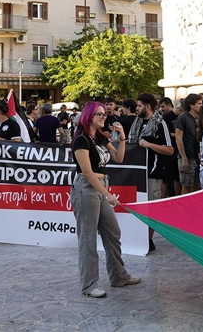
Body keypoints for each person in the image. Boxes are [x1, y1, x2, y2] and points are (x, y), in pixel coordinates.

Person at [70, 102, 140, 298]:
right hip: (86, 190)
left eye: (104, 114)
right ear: (88, 117)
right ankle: (89, 284)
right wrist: (107, 194)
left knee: (113, 232)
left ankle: (119, 276)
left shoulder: (99, 137)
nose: (103, 117)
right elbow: (87, 172)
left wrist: (123, 138)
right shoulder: (81, 140)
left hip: (100, 189)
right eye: (99, 114)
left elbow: (118, 157)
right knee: (88, 239)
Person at [129, 93, 174, 252]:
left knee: (151, 209)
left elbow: (169, 150)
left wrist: (148, 144)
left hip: (153, 173)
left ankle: (148, 240)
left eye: (139, 105)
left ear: (147, 106)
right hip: (137, 173)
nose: (137, 108)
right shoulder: (136, 123)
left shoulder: (160, 124)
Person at [175, 94, 203, 194]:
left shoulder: (198, 118)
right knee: (187, 187)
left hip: (196, 157)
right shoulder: (183, 118)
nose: (201, 105)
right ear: (191, 105)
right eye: (199, 104)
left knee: (196, 186)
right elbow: (178, 138)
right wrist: (184, 158)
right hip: (187, 157)